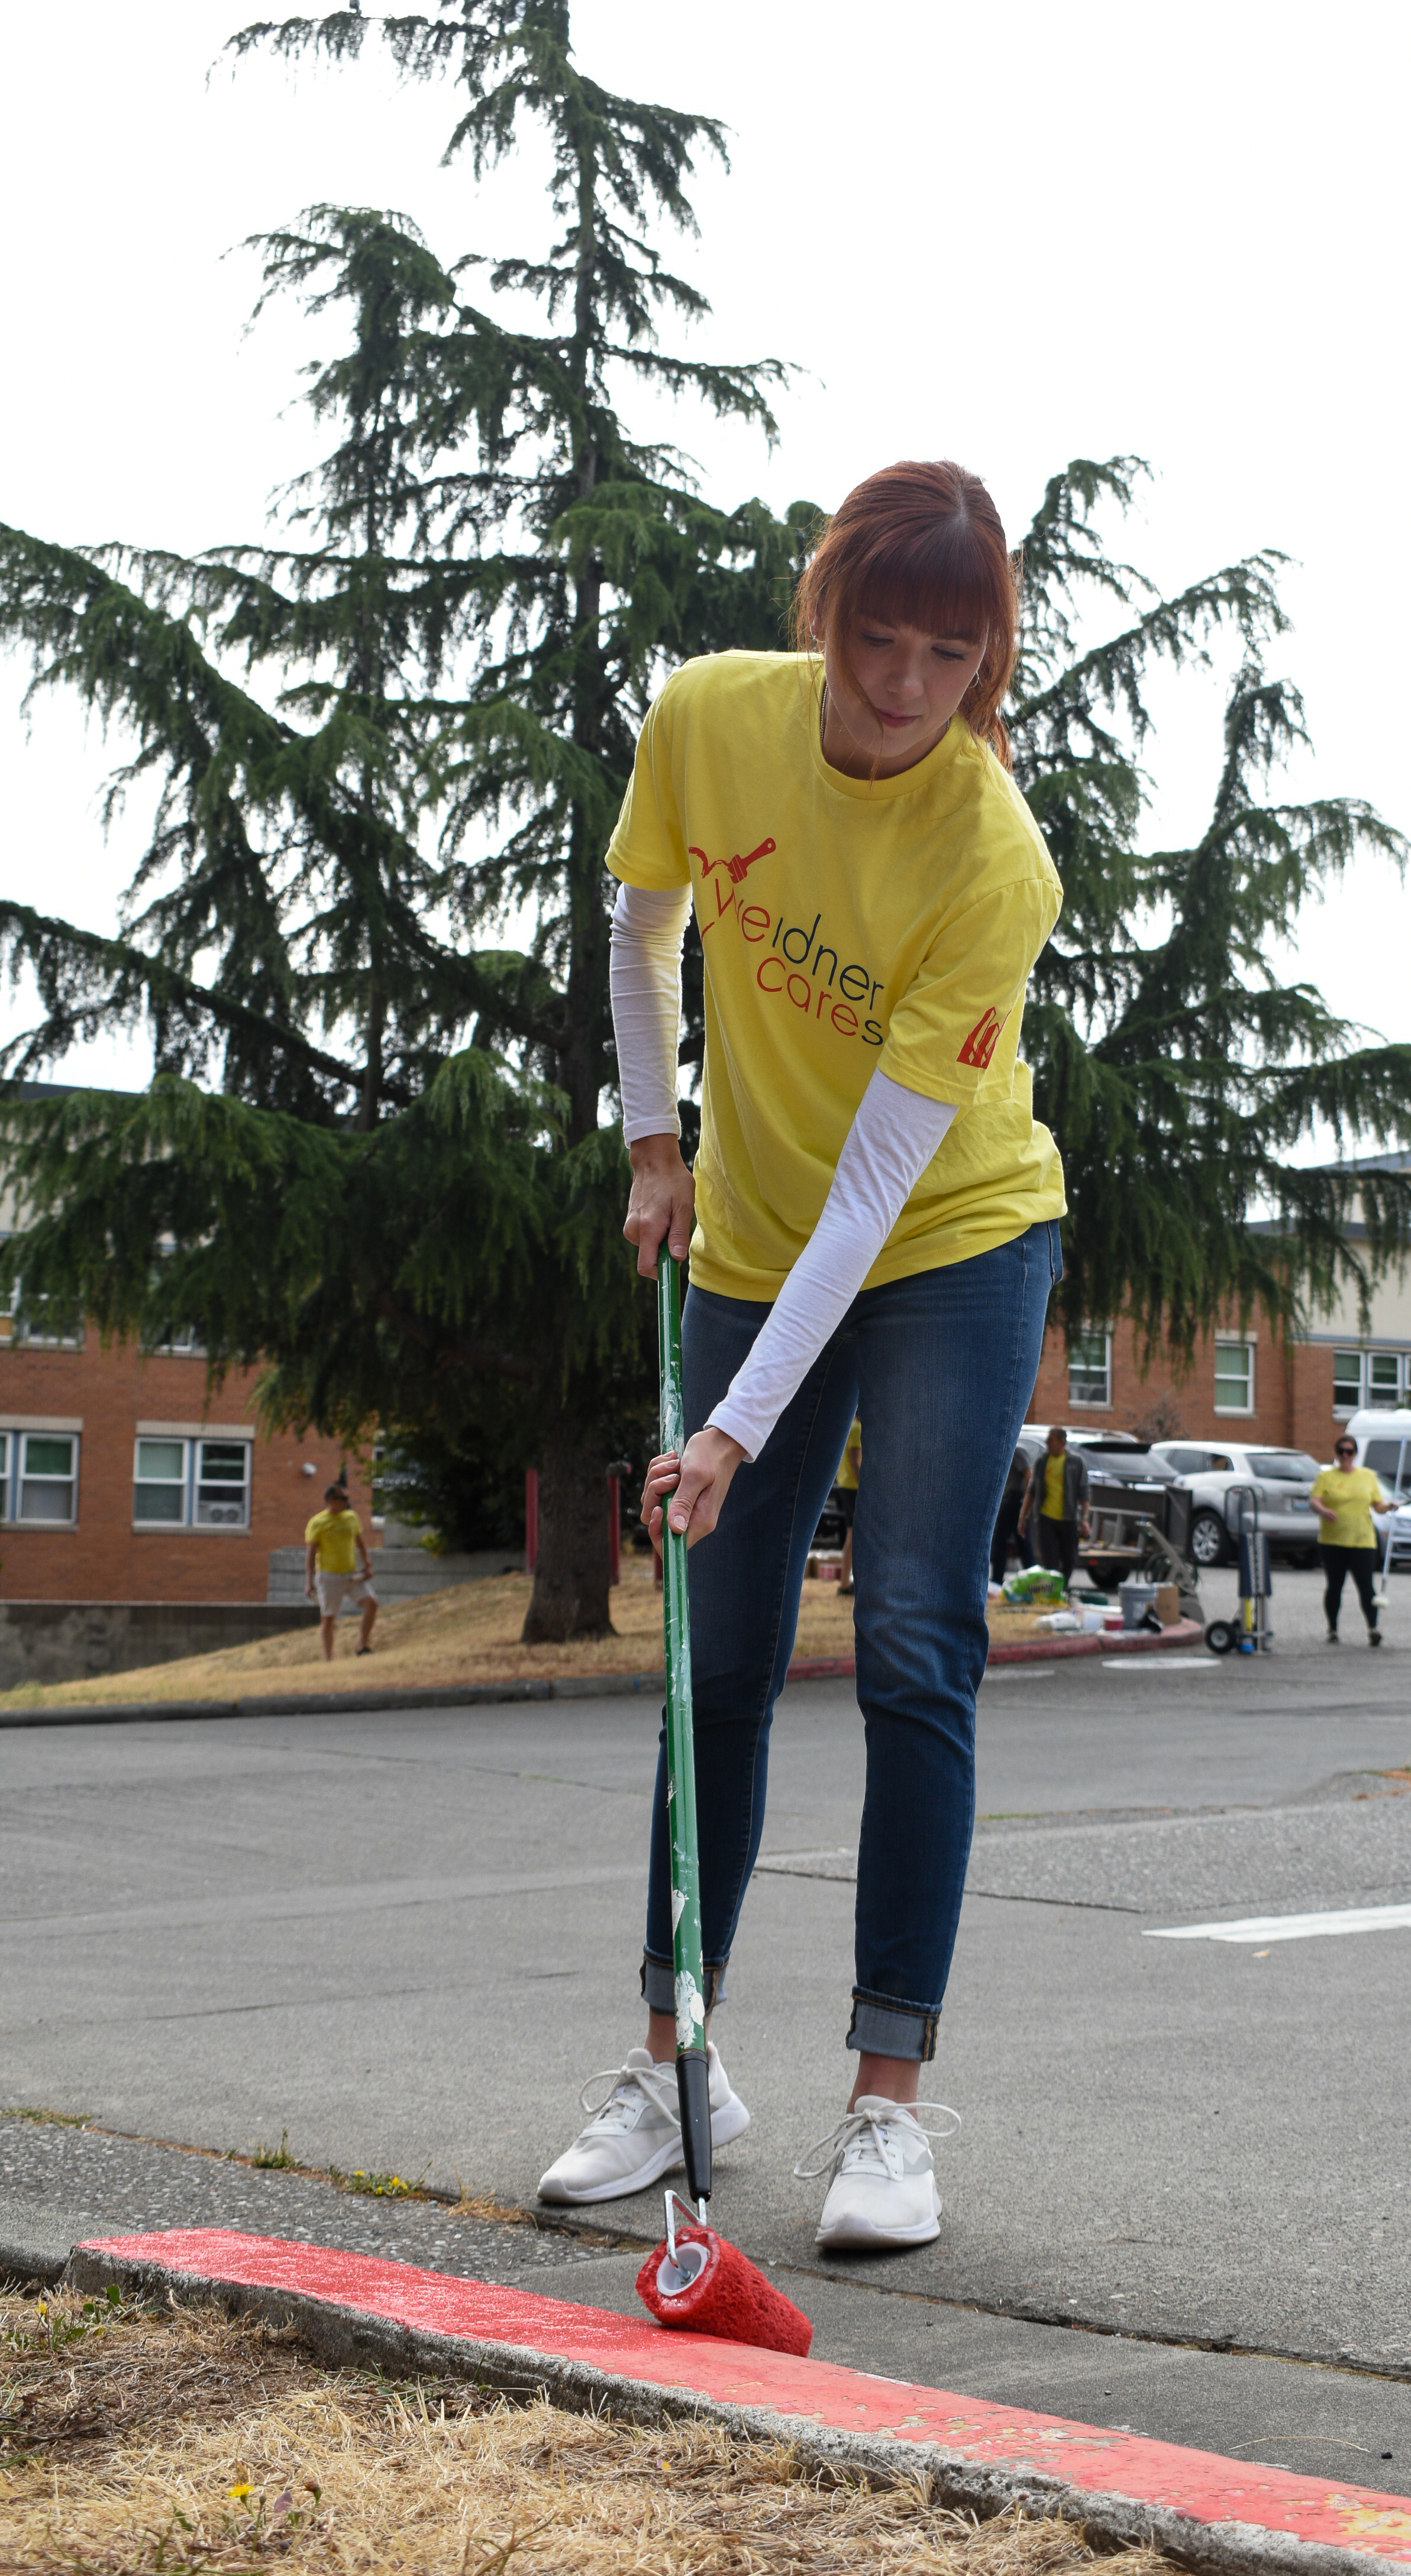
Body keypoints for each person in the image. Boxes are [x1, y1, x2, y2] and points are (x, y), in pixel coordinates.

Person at [537, 461, 1065, 2252]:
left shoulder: (992, 859)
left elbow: (874, 1193)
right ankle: (676, 2065)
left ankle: (886, 2108)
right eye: (873, 641)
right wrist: (650, 1137)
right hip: (750, 1226)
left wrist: (735, 1431)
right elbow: (642, 919)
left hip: (946, 1236)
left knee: (915, 1634)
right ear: (819, 613)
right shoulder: (708, 717)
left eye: (949, 652)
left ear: (986, 658)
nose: (904, 687)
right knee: (719, 1661)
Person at [1309, 1437, 1394, 1646]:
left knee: (1366, 1586)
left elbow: (1377, 1505)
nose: (1345, 1456)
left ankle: (1373, 1628)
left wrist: (1389, 1505)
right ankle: (1332, 1629)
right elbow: (1314, 1500)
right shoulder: (1326, 1476)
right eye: (1341, 1451)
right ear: (1337, 1453)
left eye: (1349, 1452)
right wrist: (1323, 1510)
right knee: (1335, 1586)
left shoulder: (1367, 1476)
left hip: (1362, 1540)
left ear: (1355, 1454)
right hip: (1333, 1541)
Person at [303, 1480, 378, 1659]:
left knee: (372, 1604)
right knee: (329, 1619)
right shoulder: (318, 1522)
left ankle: (362, 1645)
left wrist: (367, 1565)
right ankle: (329, 1659)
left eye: (347, 1498)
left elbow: (360, 1544)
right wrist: (309, 1582)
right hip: (329, 1576)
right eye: (343, 1498)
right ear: (331, 1500)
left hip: (352, 1574)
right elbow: (311, 1554)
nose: (346, 1502)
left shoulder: (351, 1517)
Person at [1019, 1424, 1087, 1582]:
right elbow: (1032, 1490)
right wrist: (1023, 1516)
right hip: (1046, 1518)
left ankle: (1062, 1589)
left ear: (1061, 1442)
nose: (1046, 1442)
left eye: (1050, 1439)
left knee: (1070, 1559)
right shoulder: (1042, 1461)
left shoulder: (1075, 1462)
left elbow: (1084, 1493)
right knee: (1050, 1561)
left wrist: (1084, 1518)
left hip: (1068, 1518)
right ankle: (1054, 1591)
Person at [989, 1448, 1026, 1586]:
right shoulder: (1010, 1451)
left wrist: (1025, 1500)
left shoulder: (1016, 1452)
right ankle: (1031, 1574)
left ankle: (998, 1579)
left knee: (1000, 1540)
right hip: (1010, 1498)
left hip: (1013, 1499)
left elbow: (1028, 1473)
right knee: (1021, 1540)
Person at [833, 1415, 861, 1594]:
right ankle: (846, 1584)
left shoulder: (848, 1426)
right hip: (854, 1486)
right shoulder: (858, 1429)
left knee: (851, 1534)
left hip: (844, 1483)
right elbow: (855, 1462)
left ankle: (845, 1582)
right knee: (855, 1536)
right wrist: (865, 1485)